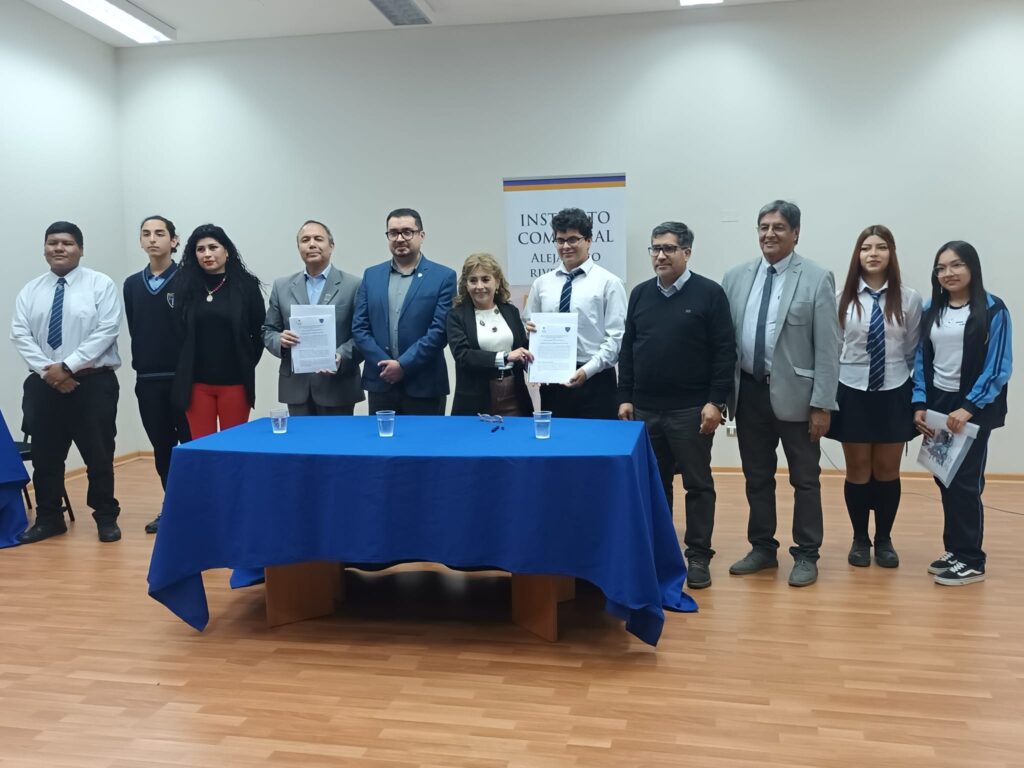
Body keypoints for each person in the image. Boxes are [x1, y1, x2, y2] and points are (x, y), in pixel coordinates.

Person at [721, 200, 840, 587]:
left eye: (778, 227)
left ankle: (806, 553)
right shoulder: (735, 277)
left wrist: (822, 403)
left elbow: (828, 347)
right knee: (757, 477)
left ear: (796, 233)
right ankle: (762, 548)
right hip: (749, 393)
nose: (769, 234)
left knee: (805, 479)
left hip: (799, 398)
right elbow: (725, 342)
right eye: (764, 227)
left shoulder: (816, 277)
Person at [617, 222, 735, 589]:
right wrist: (625, 396)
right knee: (656, 484)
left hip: (691, 410)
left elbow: (724, 353)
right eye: (655, 248)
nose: (660, 255)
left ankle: (698, 556)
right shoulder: (640, 294)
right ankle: (660, 553)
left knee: (698, 485)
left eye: (668, 248)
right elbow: (628, 349)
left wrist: (716, 402)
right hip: (645, 409)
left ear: (687, 252)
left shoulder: (709, 294)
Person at [11, 221, 123, 544]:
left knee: (99, 456)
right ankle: (49, 518)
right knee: (45, 457)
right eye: (53, 242)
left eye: (67, 243)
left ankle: (105, 517)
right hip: (44, 386)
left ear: (81, 249)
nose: (59, 248)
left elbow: (107, 331)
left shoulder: (100, 285)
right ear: (45, 248)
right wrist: (51, 372)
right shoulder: (31, 290)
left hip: (93, 384)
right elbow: (20, 334)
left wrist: (68, 367)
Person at [912, 241, 1012, 586]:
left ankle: (972, 559)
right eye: (941, 268)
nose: (948, 273)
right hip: (939, 404)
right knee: (944, 476)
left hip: (974, 408)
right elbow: (921, 359)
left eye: (956, 265)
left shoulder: (993, 309)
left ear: (972, 267)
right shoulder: (931, 309)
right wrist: (920, 402)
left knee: (966, 482)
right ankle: (954, 549)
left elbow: (999, 366)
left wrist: (969, 407)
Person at [828, 225, 921, 568]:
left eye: (881, 247)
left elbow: (912, 350)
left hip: (894, 390)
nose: (873, 253)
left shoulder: (909, 299)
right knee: (858, 469)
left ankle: (883, 539)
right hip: (852, 390)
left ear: (891, 253)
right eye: (866, 247)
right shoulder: (841, 297)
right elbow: (835, 348)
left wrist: (913, 394)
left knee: (886, 470)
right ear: (858, 254)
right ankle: (859, 539)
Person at [123, 215, 191, 534]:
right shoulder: (132, 284)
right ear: (140, 241)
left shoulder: (188, 279)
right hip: (148, 380)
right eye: (146, 234)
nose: (153, 239)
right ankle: (172, 508)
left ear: (174, 241)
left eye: (160, 233)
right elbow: (135, 326)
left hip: (184, 379)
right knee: (162, 448)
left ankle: (198, 509)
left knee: (189, 446)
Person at [525, 207, 627, 419]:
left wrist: (587, 371)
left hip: (595, 380)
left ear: (588, 240)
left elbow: (616, 338)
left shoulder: (609, 283)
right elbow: (528, 325)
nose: (565, 246)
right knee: (557, 438)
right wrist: (530, 333)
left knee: (596, 439)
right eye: (560, 240)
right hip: (553, 380)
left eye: (573, 239)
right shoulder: (542, 284)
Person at [352, 208, 456, 415]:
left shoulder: (443, 277)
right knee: (382, 437)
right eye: (393, 233)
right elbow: (360, 328)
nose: (400, 239)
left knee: (425, 438)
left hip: (424, 384)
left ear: (421, 235)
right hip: (381, 381)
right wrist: (386, 366)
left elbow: (440, 331)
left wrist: (403, 365)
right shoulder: (371, 275)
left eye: (407, 232)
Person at [171, 224, 265, 438]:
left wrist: (246, 362)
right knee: (203, 446)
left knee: (233, 445)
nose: (207, 254)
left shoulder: (246, 286)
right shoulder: (185, 286)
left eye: (213, 247)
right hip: (196, 384)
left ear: (227, 251)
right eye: (200, 249)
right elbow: (178, 333)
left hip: (235, 382)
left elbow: (259, 332)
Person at [262, 220, 364, 415]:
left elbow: (363, 333)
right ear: (298, 248)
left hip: (337, 386)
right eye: (305, 240)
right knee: (299, 436)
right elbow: (268, 331)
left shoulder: (353, 285)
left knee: (336, 436)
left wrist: (342, 356)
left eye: (318, 239)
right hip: (296, 386)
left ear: (331, 246)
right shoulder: (282, 286)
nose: (311, 244)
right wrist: (279, 340)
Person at [447, 253, 533, 417]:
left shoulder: (511, 311)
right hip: (475, 401)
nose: (479, 286)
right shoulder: (456, 316)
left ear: (497, 282)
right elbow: (463, 356)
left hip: (515, 396)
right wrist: (505, 357)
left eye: (485, 279)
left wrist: (534, 339)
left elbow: (522, 349)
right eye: (473, 280)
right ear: (466, 285)